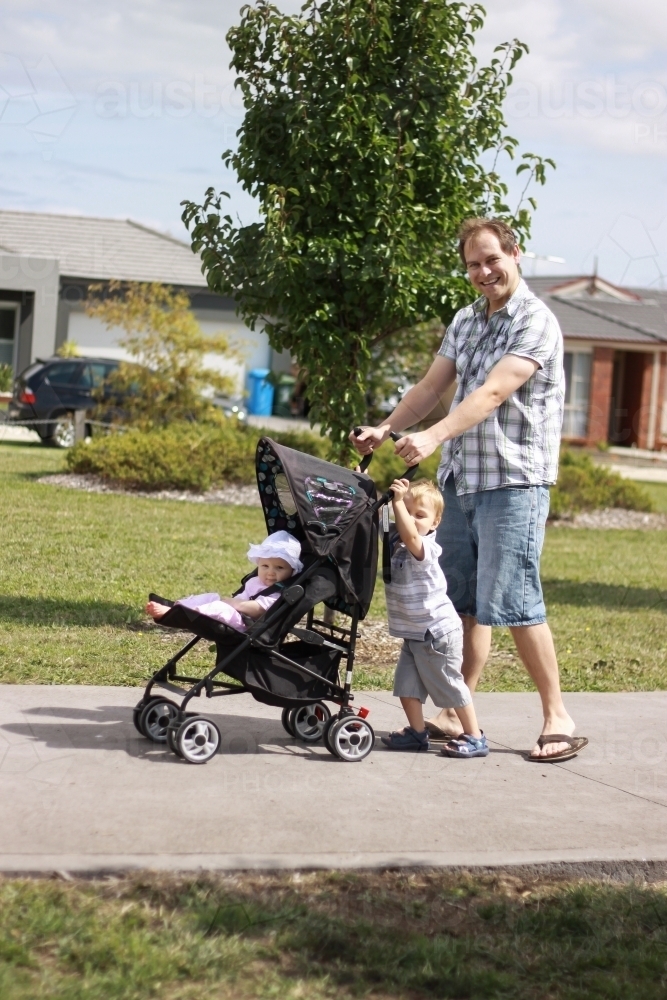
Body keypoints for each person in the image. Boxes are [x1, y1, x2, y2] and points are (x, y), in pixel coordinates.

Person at [352, 217, 588, 763]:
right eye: (473, 265)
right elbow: (433, 384)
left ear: (515, 254)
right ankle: (458, 710)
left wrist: (432, 435)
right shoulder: (466, 319)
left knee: (517, 602)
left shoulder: (535, 321)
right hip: (462, 481)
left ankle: (557, 715)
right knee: (459, 604)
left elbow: (492, 391)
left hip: (514, 482)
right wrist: (386, 428)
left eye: (491, 261)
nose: (483, 272)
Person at [381, 477, 488, 757]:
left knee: (451, 687)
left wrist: (399, 505)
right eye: (408, 511)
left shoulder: (425, 547)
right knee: (406, 687)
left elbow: (411, 536)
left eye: (421, 515)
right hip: (414, 633)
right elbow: (380, 520)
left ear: (435, 522)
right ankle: (417, 733)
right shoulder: (396, 542)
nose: (413, 520)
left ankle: (475, 736)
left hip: (437, 634)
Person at [145, 530, 303, 631]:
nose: (270, 572)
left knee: (218, 607)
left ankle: (180, 614)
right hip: (236, 614)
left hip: (247, 624)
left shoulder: (280, 592)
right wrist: (234, 602)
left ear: (292, 571)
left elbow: (259, 609)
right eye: (265, 566)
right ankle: (178, 606)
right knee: (211, 597)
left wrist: (235, 604)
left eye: (279, 568)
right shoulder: (254, 582)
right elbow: (241, 597)